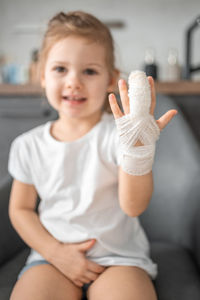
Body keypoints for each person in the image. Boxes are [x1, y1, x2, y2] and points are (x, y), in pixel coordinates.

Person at [8, 11, 177, 300]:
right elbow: (20, 210)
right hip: (52, 259)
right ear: (41, 75)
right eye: (61, 69)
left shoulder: (119, 137)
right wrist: (55, 253)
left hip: (118, 258)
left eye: (89, 71)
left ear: (111, 79)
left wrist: (138, 151)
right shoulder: (28, 145)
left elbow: (133, 206)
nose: (74, 81)